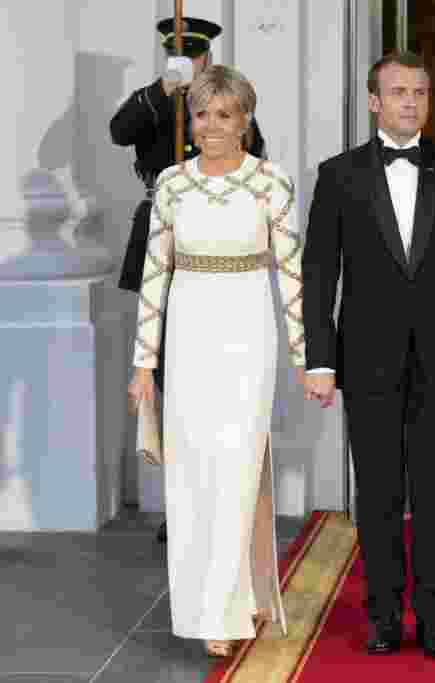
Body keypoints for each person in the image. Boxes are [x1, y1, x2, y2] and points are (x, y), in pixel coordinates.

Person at [301, 52, 435, 660]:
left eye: (420, 91)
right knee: (379, 494)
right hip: (366, 360)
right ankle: (384, 616)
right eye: (398, 92)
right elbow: (318, 273)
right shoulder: (338, 175)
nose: (411, 101)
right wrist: (321, 360)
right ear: (373, 101)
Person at [126, 65, 304, 658]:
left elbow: (293, 276)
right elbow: (155, 276)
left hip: (249, 333)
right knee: (191, 477)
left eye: (224, 115)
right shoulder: (172, 185)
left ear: (246, 120)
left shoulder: (272, 184)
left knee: (237, 468)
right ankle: (207, 609)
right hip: (190, 336)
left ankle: (231, 603)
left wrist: (307, 358)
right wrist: (142, 365)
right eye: (202, 114)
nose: (212, 126)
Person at [110, 16, 265, 544]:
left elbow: (255, 161)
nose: (188, 66)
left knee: (221, 384)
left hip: (216, 249)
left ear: (207, 58)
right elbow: (118, 131)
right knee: (174, 384)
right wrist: (163, 91)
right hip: (164, 243)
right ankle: (181, 505)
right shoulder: (154, 102)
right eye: (178, 57)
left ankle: (226, 501)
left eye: (194, 58)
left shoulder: (227, 108)